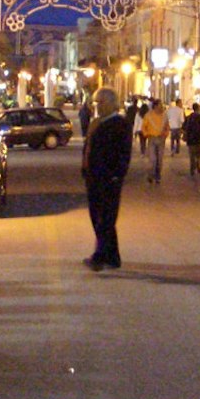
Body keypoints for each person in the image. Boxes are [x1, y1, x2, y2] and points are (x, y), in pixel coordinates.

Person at [81, 88, 131, 270]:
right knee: (98, 217)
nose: (97, 106)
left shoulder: (120, 124)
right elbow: (89, 148)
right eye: (96, 103)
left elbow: (123, 153)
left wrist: (117, 175)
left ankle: (100, 256)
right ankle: (112, 256)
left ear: (111, 103)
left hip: (109, 178)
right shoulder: (96, 123)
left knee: (105, 219)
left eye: (100, 103)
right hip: (94, 177)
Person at [141, 98, 170, 185]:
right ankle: (150, 175)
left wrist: (165, 135)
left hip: (161, 139)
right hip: (152, 139)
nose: (162, 107)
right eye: (160, 105)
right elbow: (143, 127)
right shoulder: (148, 115)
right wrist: (147, 134)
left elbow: (167, 127)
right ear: (155, 106)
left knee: (160, 159)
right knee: (152, 159)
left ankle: (158, 175)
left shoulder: (164, 116)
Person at [182, 102, 200, 179]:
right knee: (199, 154)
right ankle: (198, 163)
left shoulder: (189, 117)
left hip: (191, 139)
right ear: (198, 108)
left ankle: (192, 168)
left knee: (192, 155)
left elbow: (184, 127)